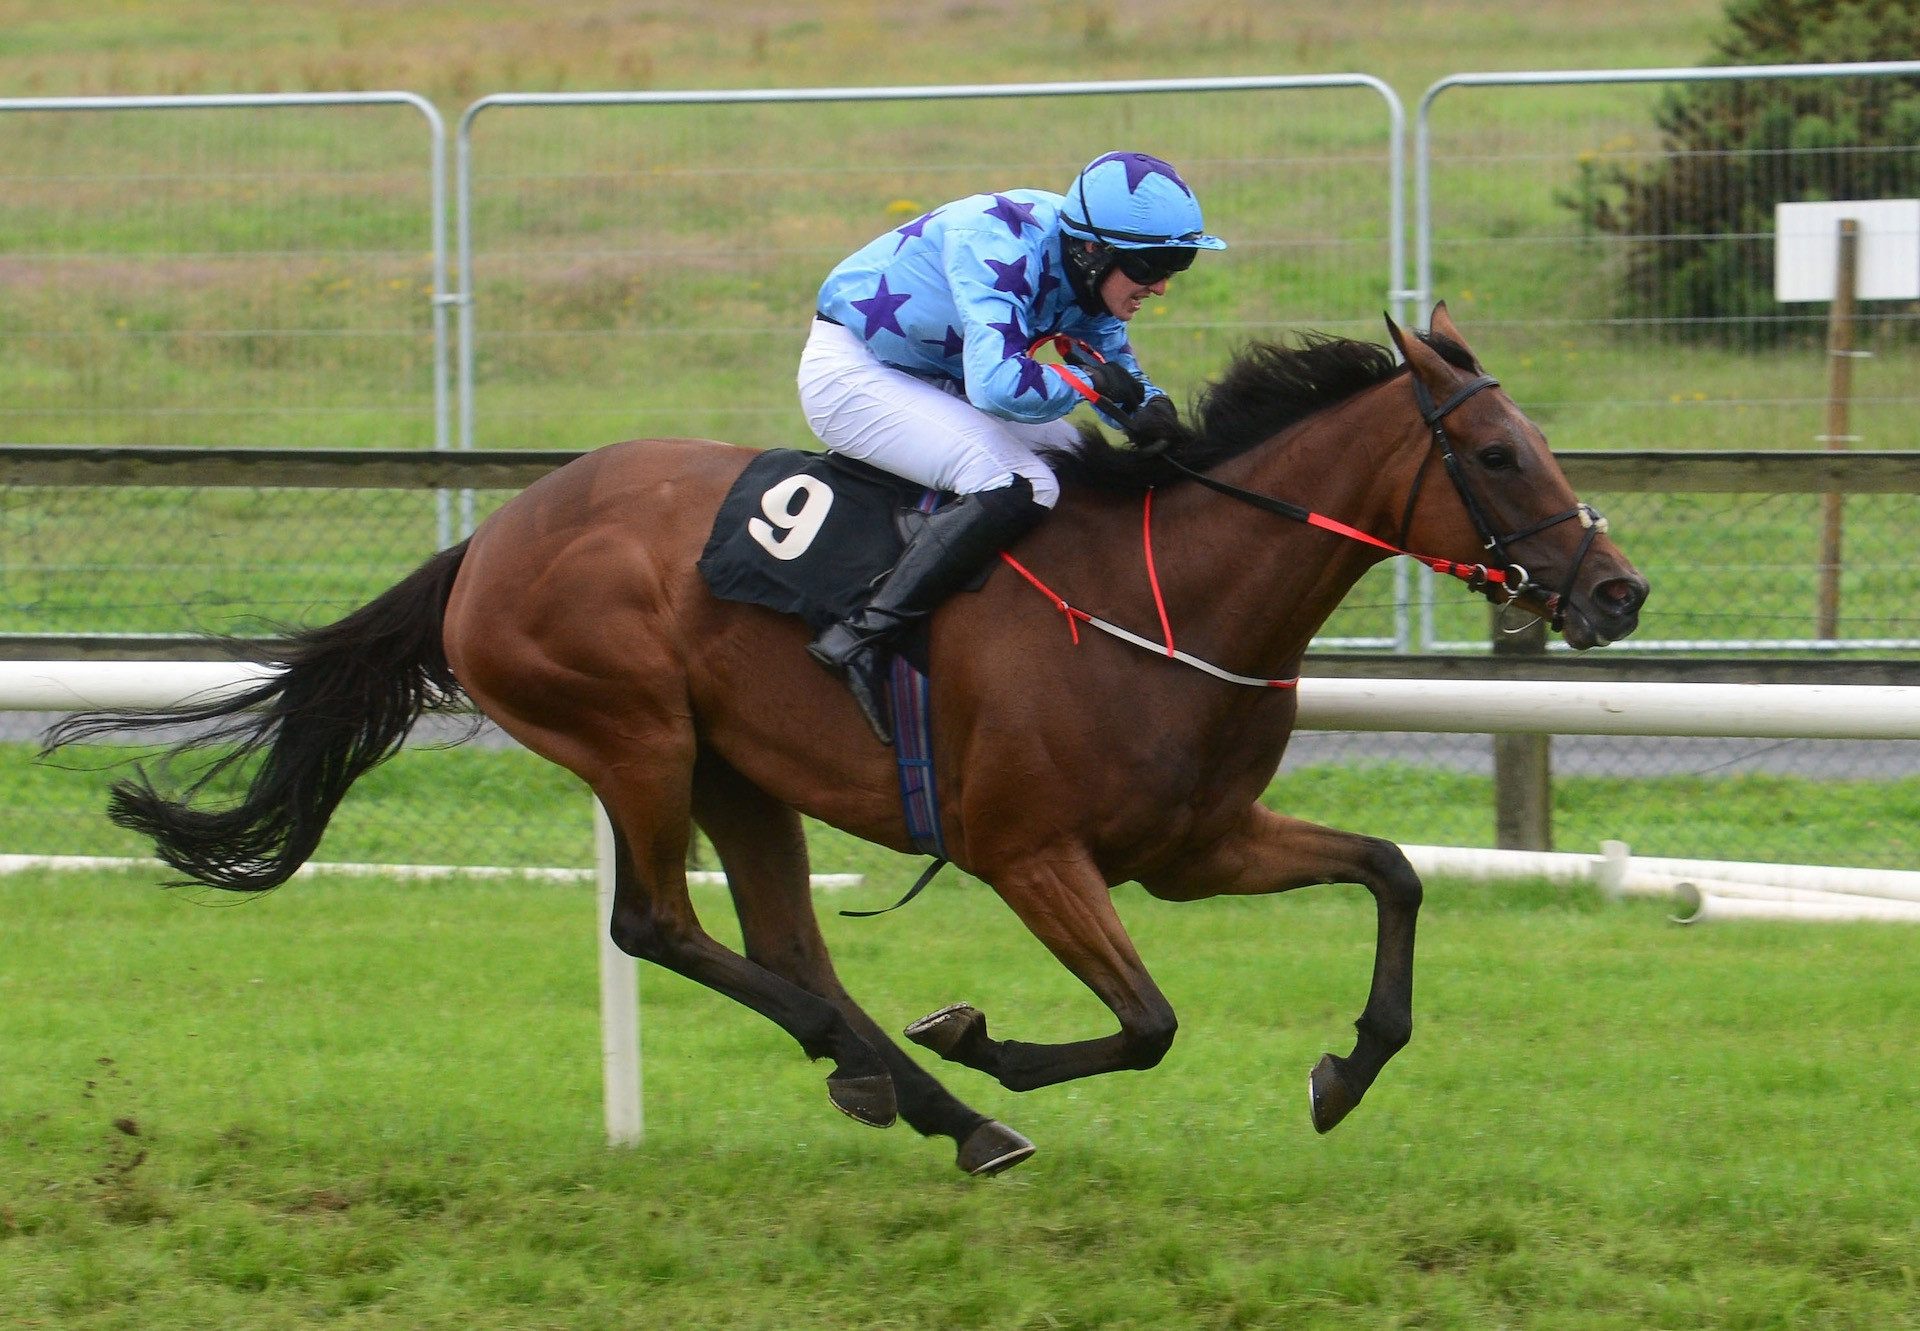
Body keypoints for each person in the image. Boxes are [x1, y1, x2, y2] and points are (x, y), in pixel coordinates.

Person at [797, 150, 1227, 744]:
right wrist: (1092, 385)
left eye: (1178, 263)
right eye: (1151, 265)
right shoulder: (997, 242)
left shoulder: (1085, 265)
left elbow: (1110, 367)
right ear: (1092, 250)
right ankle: (861, 639)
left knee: (1078, 466)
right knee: (1022, 482)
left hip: (942, 375)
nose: (1161, 285)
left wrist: (1153, 416)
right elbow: (1000, 388)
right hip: (856, 372)